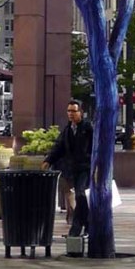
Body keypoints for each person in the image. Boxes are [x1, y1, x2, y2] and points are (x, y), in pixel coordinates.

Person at [42, 99, 93, 236]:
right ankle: (80, 229)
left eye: (74, 111)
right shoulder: (67, 129)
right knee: (78, 198)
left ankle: (84, 226)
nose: (70, 114)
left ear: (81, 112)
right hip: (73, 170)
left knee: (80, 195)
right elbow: (59, 147)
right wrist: (48, 160)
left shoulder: (88, 128)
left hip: (87, 168)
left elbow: (97, 149)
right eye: (68, 111)